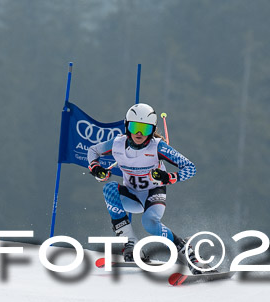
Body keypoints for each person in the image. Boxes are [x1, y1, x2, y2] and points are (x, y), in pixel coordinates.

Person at [87, 103, 202, 274]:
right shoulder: (117, 144)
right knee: (109, 188)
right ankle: (131, 244)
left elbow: (190, 168)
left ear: (152, 130)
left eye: (145, 129)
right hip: (132, 195)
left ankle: (185, 249)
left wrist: (169, 177)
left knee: (149, 223)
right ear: (127, 127)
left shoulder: (158, 147)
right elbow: (93, 150)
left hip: (153, 194)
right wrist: (95, 167)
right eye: (135, 127)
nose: (139, 133)